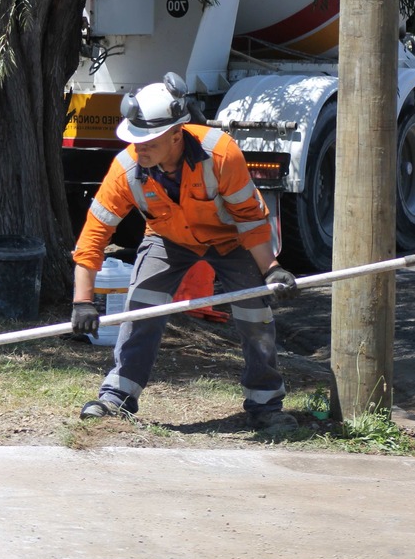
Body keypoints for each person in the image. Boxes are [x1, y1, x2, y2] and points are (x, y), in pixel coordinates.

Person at [70, 72, 300, 433]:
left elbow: (250, 219)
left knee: (255, 315)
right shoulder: (126, 168)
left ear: (177, 134)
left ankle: (265, 404)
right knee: (141, 306)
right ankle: (117, 397)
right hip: (168, 239)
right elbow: (93, 237)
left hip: (230, 241)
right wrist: (83, 301)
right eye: (135, 139)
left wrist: (271, 269)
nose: (139, 148)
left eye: (148, 141)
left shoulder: (222, 154)